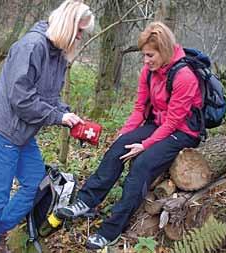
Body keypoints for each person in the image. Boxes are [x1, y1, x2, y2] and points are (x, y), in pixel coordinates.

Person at [57, 21, 202, 250]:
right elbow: (139, 109)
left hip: (182, 132)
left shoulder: (184, 77)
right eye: (143, 55)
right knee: (119, 147)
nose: (145, 60)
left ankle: (110, 230)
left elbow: (174, 122)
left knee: (142, 164)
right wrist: (125, 134)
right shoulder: (148, 72)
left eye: (150, 55)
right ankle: (85, 202)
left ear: (164, 51)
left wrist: (144, 145)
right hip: (158, 123)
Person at [0, 1, 94, 252]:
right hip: (1, 130)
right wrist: (57, 118)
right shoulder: (31, 46)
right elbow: (21, 98)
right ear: (67, 25)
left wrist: (66, 114)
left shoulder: (57, 54)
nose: (80, 37)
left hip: (23, 134)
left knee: (36, 182)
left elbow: (49, 96)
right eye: (79, 31)